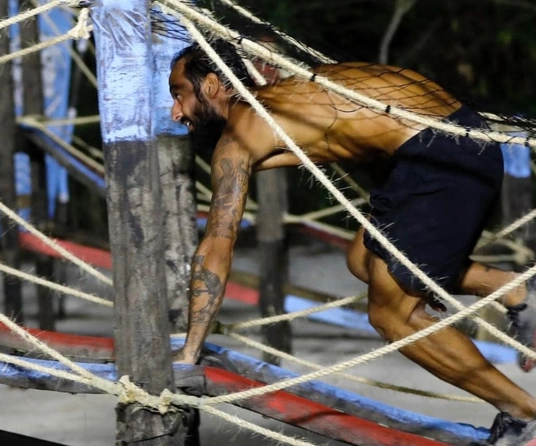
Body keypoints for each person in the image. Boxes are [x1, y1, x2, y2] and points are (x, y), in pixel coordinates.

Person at [168, 39, 536, 445]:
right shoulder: (290, 96)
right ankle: (515, 290)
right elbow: (375, 134)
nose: (175, 112)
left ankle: (524, 416)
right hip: (454, 140)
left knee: (392, 316)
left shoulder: (240, 134)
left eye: (179, 95)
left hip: (441, 158)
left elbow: (217, 245)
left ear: (213, 85)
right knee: (363, 258)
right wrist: (417, 257)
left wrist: (190, 350)